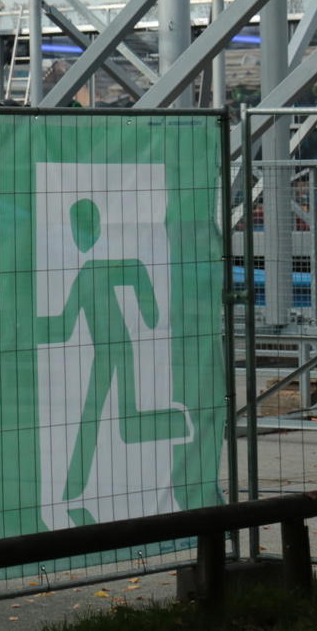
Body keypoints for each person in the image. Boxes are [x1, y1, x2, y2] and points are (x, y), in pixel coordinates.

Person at [37, 197, 188, 523]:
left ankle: (70, 494)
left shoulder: (95, 268)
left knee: (100, 419)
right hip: (111, 351)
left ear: (90, 227)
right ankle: (178, 424)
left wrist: (151, 314)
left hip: (114, 352)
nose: (78, 237)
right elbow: (63, 326)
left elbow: (134, 272)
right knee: (126, 421)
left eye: (80, 229)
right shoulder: (90, 270)